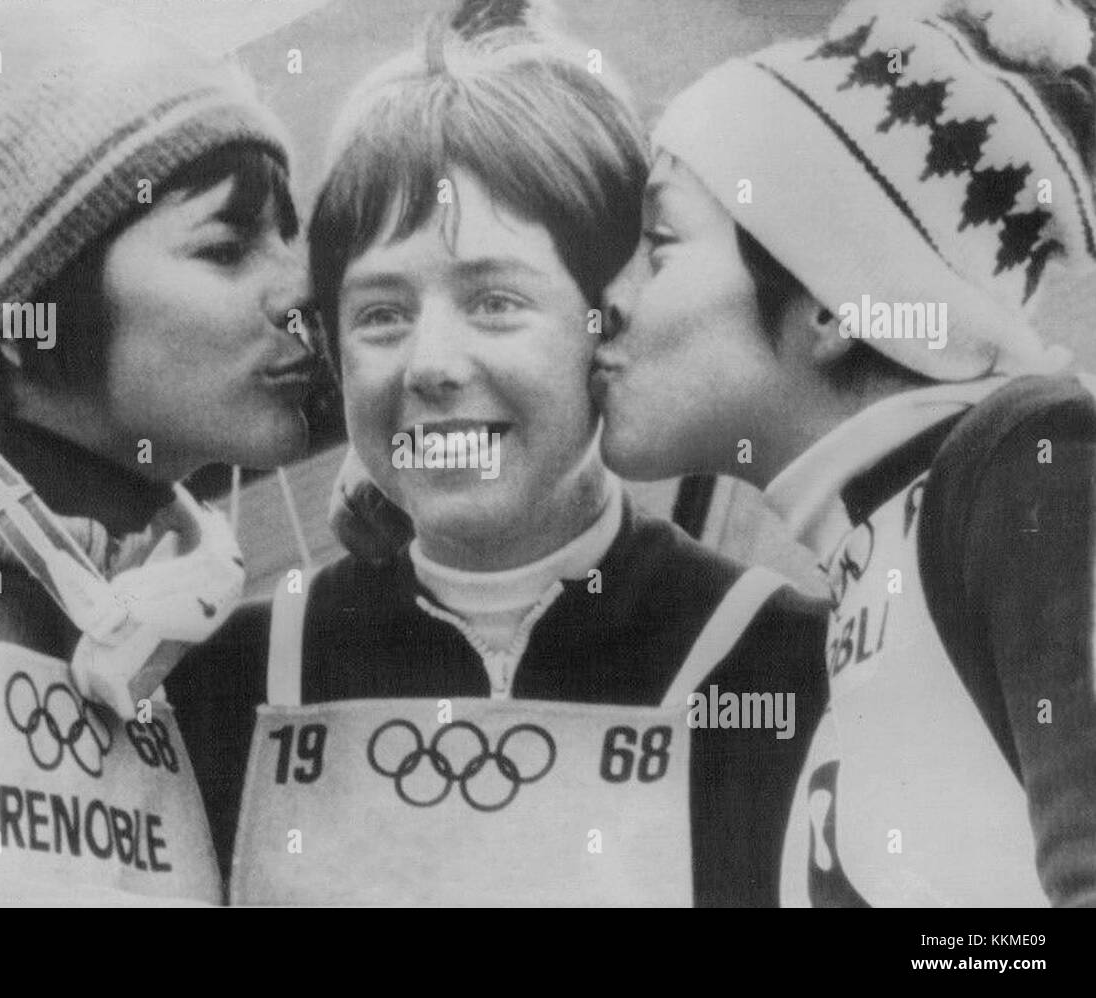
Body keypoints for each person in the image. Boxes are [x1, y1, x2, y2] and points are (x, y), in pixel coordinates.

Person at [171, 0, 827, 906]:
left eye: (495, 303)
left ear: (609, 319)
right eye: (382, 315)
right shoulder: (227, 678)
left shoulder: (783, 662)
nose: (431, 365)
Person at [0, 8, 316, 906]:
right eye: (226, 248)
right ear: (23, 311)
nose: (301, 288)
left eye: (289, 236)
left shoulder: (196, 639)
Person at [593, 0, 1096, 906]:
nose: (612, 300)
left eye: (660, 246)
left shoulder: (1032, 460)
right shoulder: (883, 556)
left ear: (834, 304)